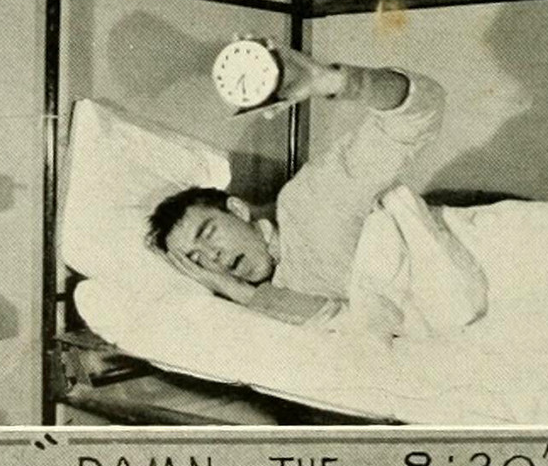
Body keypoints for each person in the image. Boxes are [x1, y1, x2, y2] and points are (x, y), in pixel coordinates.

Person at [148, 45, 474, 326]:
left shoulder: (309, 202)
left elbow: (419, 114)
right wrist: (239, 293)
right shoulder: (270, 300)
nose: (213, 257)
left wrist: (338, 82)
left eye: (208, 232)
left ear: (237, 208)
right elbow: (349, 322)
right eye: (196, 259)